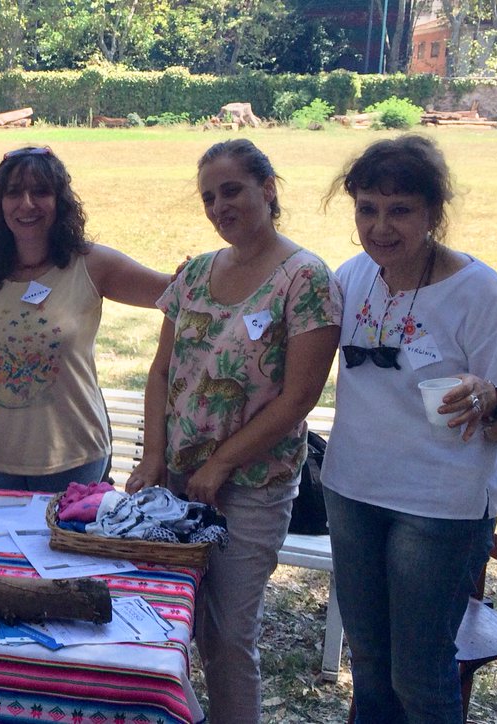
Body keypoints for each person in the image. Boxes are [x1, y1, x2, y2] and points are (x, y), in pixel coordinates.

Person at [320, 135, 497, 723]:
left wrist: (490, 399)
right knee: (367, 662)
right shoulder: (352, 277)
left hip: (438, 507)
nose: (380, 227)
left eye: (400, 210)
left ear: (433, 214)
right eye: (367, 208)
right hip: (352, 491)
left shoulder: (479, 293)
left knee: (417, 675)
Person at [125, 139, 342, 724]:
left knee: (227, 636)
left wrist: (221, 463)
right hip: (175, 482)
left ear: (268, 189)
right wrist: (153, 459)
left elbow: (299, 397)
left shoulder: (306, 278)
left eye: (232, 191)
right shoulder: (194, 272)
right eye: (209, 197)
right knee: (169, 621)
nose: (220, 206)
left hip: (251, 486)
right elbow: (163, 370)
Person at [0, 146, 173, 492]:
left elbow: (173, 294)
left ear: (60, 201)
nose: (26, 204)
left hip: (69, 455)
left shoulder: (92, 264)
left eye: (40, 191)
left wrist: (214, 270)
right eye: (13, 193)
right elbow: (2, 328)